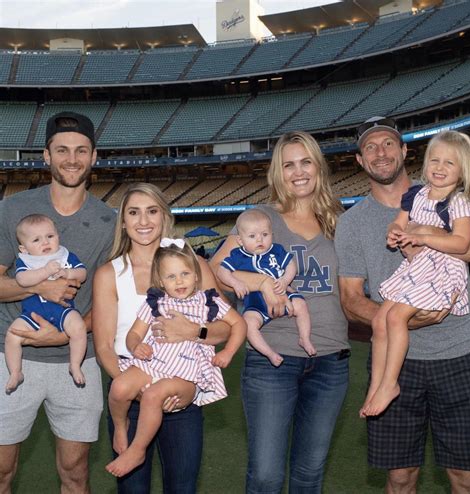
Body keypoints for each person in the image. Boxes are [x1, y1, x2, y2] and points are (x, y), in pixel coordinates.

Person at [335, 116, 470, 493]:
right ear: (361, 161)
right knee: (398, 478)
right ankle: (385, 384)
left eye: (389, 143)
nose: (381, 152)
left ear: (405, 151)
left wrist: (427, 233)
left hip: (459, 353)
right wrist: (401, 322)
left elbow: (468, 245)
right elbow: (350, 300)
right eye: (371, 147)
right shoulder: (351, 223)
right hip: (397, 358)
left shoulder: (451, 196)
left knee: (466, 477)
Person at [210, 130, 350, 493]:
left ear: (318, 167)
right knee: (267, 475)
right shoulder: (260, 220)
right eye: (288, 164)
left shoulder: (339, 219)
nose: (298, 171)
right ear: (277, 172)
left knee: (309, 474)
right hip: (272, 358)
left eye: (306, 162)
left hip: (330, 357)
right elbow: (214, 272)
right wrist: (258, 283)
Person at [0, 112, 115, 493]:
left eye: (81, 150)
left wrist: (69, 332)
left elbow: (110, 298)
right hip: (10, 354)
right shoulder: (12, 211)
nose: (71, 158)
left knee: (76, 472)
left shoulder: (108, 221)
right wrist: (39, 291)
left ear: (94, 156)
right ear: (46, 156)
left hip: (77, 362)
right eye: (61, 149)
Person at [92, 182, 232, 493]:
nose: (143, 221)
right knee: (132, 490)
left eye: (152, 211)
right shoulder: (109, 274)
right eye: (134, 212)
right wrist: (141, 392)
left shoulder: (193, 266)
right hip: (130, 392)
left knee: (182, 487)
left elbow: (226, 327)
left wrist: (194, 331)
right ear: (124, 222)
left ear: (164, 216)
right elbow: (103, 346)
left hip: (182, 394)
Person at [106, 238, 246, 478]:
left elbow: (239, 324)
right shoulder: (155, 303)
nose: (179, 281)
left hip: (185, 372)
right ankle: (121, 427)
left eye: (185, 273)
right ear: (161, 281)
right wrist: (136, 346)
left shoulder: (208, 301)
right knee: (119, 387)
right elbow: (134, 334)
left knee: (153, 394)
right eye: (171, 277)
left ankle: (137, 449)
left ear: (196, 276)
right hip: (151, 363)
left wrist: (228, 352)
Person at [361, 130, 470, 417]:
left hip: (443, 271)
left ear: (462, 172)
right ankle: (376, 384)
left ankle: (390, 384)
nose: (439, 167)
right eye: (435, 160)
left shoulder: (459, 203)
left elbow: (461, 243)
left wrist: (423, 237)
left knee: (396, 317)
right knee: (379, 321)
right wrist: (395, 235)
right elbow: (398, 224)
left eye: (450, 163)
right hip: (416, 268)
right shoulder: (415, 194)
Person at [217, 208, 315, 367]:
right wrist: (235, 283)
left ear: (272, 235)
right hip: (256, 302)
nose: (259, 240)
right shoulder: (238, 255)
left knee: (301, 305)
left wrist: (284, 280)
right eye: (252, 236)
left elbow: (291, 266)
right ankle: (269, 353)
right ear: (241, 241)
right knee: (248, 324)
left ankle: (305, 338)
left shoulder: (276, 250)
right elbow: (221, 271)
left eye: (265, 234)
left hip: (280, 291)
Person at [5, 214, 88, 393]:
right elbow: (22, 280)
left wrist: (68, 274)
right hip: (33, 314)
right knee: (12, 335)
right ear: (24, 248)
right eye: (36, 239)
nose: (45, 242)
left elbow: (82, 273)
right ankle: (15, 371)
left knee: (79, 328)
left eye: (50, 236)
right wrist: (44, 271)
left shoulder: (65, 256)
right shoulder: (25, 261)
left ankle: (75, 365)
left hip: (63, 311)